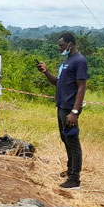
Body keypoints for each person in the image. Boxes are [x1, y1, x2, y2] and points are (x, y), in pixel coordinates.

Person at [36, 31, 88, 189]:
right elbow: (57, 83)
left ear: (70, 44)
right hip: (61, 106)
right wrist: (45, 71)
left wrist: (75, 112)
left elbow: (81, 87)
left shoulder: (79, 61)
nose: (59, 48)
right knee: (66, 139)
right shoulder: (67, 61)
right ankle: (70, 169)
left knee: (73, 142)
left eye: (62, 45)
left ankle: (75, 179)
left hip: (70, 109)